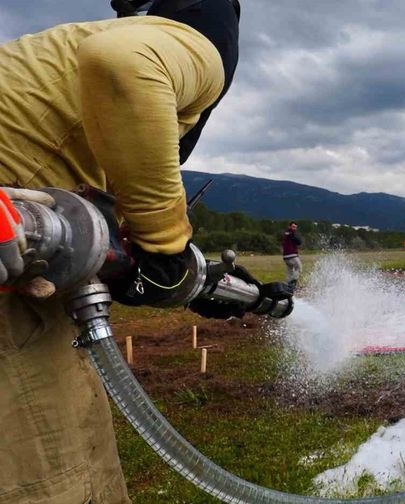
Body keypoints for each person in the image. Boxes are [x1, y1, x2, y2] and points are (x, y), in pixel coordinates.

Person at [0, 1, 290, 501]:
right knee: (55, 473)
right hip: (15, 248)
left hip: (27, 231)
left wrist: (187, 279)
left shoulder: (50, 67)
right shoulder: (195, 40)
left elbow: (101, 231)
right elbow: (122, 60)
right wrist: (164, 245)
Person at [282, 221, 302, 296]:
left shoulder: (286, 234)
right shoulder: (290, 233)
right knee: (299, 268)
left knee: (290, 272)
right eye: (293, 227)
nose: (294, 228)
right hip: (292, 255)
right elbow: (299, 242)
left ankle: (287, 287)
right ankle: (292, 285)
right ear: (289, 227)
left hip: (285, 256)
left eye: (295, 227)